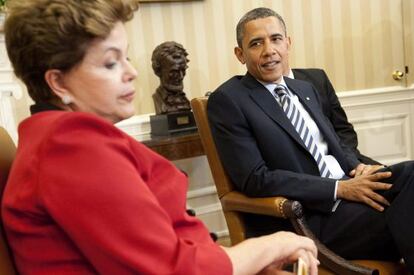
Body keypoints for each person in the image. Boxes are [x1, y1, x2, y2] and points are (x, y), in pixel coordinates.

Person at [1, 1, 318, 274]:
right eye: (111, 62)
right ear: (58, 82)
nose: (131, 72)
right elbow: (172, 269)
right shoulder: (69, 147)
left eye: (126, 57)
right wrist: (275, 243)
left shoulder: (58, 136)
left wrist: (244, 263)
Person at [207, 7, 414, 272]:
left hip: (352, 189)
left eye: (276, 39)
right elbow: (255, 178)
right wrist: (339, 188)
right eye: (256, 43)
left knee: (410, 174)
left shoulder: (304, 88)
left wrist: (356, 167)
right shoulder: (229, 100)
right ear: (240, 54)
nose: (269, 50)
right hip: (314, 215)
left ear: (288, 43)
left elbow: (334, 145)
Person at [285, 67, 380, 165]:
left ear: (288, 50)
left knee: (393, 175)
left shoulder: (317, 78)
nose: (271, 52)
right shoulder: (270, 95)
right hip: (306, 172)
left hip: (345, 159)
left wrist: (353, 164)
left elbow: (343, 129)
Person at [151, 41, 191, 114]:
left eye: (183, 70)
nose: (181, 76)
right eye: (174, 72)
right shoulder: (158, 99)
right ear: (158, 71)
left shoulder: (186, 101)